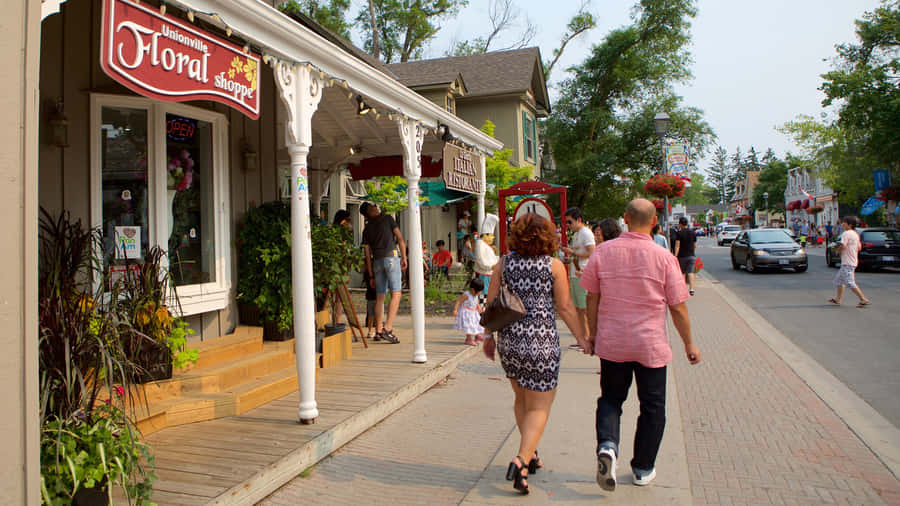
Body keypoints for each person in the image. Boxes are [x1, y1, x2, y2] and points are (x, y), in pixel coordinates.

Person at [580, 199, 701, 491]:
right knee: (653, 406)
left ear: (625, 219)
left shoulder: (603, 252)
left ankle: (608, 445)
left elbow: (591, 298)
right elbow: (678, 307)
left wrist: (592, 335)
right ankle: (643, 468)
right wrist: (689, 343)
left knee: (610, 399)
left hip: (613, 343)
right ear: (655, 221)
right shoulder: (663, 257)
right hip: (650, 346)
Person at [485, 213, 588, 495]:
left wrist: (486, 337)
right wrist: (583, 339)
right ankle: (520, 461)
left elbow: (492, 302)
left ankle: (531, 453)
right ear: (548, 236)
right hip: (541, 343)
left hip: (510, 341)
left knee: (521, 399)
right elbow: (565, 308)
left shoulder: (503, 264)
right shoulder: (554, 266)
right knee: (540, 407)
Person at [360, 202, 407, 344]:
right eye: (372, 206)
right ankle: (388, 327)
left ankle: (378, 330)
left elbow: (367, 253)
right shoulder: (387, 219)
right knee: (396, 293)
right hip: (391, 257)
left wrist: (371, 274)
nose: (376, 206)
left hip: (377, 262)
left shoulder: (366, 229)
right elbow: (399, 238)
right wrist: (404, 257)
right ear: (369, 211)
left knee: (380, 297)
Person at [561, 208, 596, 350]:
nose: (568, 225)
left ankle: (587, 337)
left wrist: (573, 252)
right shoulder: (577, 234)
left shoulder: (586, 233)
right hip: (576, 272)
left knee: (583, 308)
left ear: (579, 220)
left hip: (583, 273)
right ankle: (583, 337)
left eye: (570, 222)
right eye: (566, 222)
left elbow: (591, 252)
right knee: (579, 308)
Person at [828, 215, 871, 308]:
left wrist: (838, 251)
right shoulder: (855, 234)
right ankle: (838, 299)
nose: (843, 224)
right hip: (852, 260)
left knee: (849, 281)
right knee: (839, 280)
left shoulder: (846, 234)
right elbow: (859, 248)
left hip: (848, 261)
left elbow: (843, 245)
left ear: (850, 225)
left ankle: (863, 299)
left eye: (844, 222)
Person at [453, 278, 486, 346]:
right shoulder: (466, 295)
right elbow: (459, 301)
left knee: (476, 323)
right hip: (466, 313)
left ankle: (477, 335)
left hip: (474, 312)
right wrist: (455, 309)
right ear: (473, 290)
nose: (480, 293)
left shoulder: (476, 295)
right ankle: (468, 339)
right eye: (479, 291)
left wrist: (479, 307)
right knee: (469, 326)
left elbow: (476, 302)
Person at [474, 214, 500, 296]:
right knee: (483, 296)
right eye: (491, 235)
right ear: (485, 235)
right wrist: (492, 266)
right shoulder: (479, 243)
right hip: (483, 275)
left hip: (490, 275)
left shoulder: (487, 246)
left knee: (490, 296)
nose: (493, 238)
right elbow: (480, 260)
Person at [674, 217, 698, 296]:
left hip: (682, 256)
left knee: (682, 273)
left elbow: (677, 245)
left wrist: (675, 256)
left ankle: (682, 288)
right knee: (691, 272)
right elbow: (695, 245)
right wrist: (692, 251)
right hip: (691, 255)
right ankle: (691, 289)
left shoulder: (679, 233)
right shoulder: (693, 233)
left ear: (680, 224)